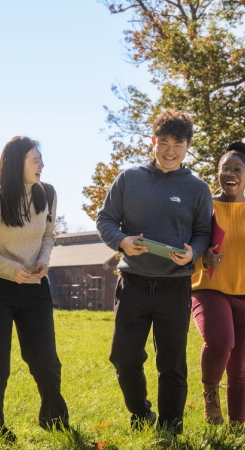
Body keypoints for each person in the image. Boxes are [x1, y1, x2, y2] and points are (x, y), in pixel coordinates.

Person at [96, 110, 213, 435]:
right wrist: (122, 241)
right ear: (153, 142)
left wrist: (194, 252)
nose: (170, 150)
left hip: (174, 287)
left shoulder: (197, 189)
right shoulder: (129, 179)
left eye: (177, 144)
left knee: (172, 364)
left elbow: (203, 232)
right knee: (124, 357)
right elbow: (105, 219)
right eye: (164, 142)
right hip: (132, 283)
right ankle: (140, 412)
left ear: (188, 146)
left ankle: (171, 427)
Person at [0, 136, 68, 442]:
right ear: (16, 164)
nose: (42, 165)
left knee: (46, 362)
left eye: (41, 160)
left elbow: (49, 234)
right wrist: (11, 269)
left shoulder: (48, 194)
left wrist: (43, 260)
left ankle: (54, 419)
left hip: (35, 289)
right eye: (35, 160)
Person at [190, 141, 245, 425]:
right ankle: (210, 394)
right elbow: (191, 249)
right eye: (225, 169)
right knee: (220, 341)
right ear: (218, 173)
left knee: (241, 367)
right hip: (209, 289)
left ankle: (238, 425)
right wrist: (204, 260)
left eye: (237, 169)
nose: (231, 173)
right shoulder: (204, 207)